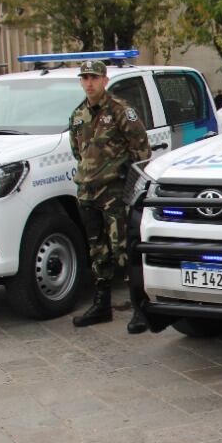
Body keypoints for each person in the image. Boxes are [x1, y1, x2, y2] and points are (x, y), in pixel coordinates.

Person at [69, 60, 151, 332]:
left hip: (114, 192)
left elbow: (141, 151)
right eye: (85, 78)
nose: (89, 82)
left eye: (94, 77)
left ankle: (140, 308)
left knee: (123, 250)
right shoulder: (78, 115)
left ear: (105, 80)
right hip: (88, 192)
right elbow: (77, 152)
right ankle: (101, 305)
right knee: (97, 250)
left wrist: (127, 183)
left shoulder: (120, 110)